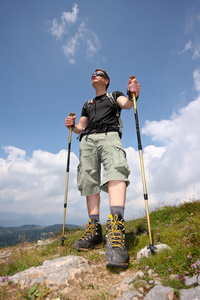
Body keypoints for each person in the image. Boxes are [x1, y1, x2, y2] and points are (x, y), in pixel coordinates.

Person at [65, 69, 140, 268]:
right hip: (87, 140)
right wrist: (72, 126)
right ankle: (95, 230)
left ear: (106, 80)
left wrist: (133, 92)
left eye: (99, 74)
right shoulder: (87, 104)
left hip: (110, 135)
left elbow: (128, 104)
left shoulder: (114, 95)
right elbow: (81, 127)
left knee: (116, 168)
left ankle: (116, 229)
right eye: (92, 73)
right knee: (88, 178)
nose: (94, 75)